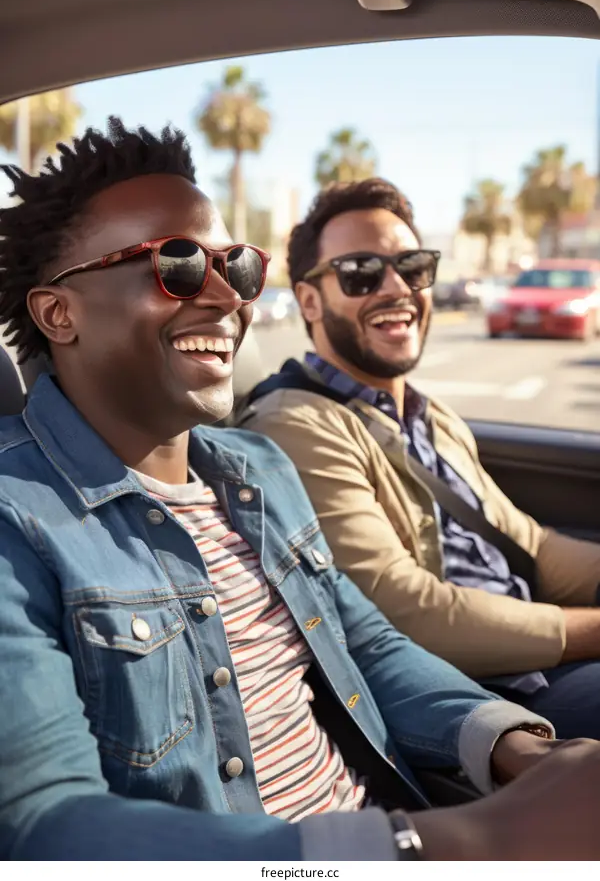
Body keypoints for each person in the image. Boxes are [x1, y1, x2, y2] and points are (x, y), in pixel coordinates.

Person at [0, 122, 598, 863]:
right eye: (177, 265)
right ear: (59, 313)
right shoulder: (19, 516)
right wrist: (455, 840)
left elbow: (367, 644)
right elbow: (43, 826)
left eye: (238, 267)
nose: (228, 296)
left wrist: (512, 746)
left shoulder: (259, 469)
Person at [238, 178, 600, 739]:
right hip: (481, 699)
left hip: (539, 659)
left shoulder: (430, 417)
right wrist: (590, 631)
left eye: (413, 267)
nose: (397, 288)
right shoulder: (296, 424)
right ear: (309, 300)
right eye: (361, 272)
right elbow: (407, 612)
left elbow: (530, 545)